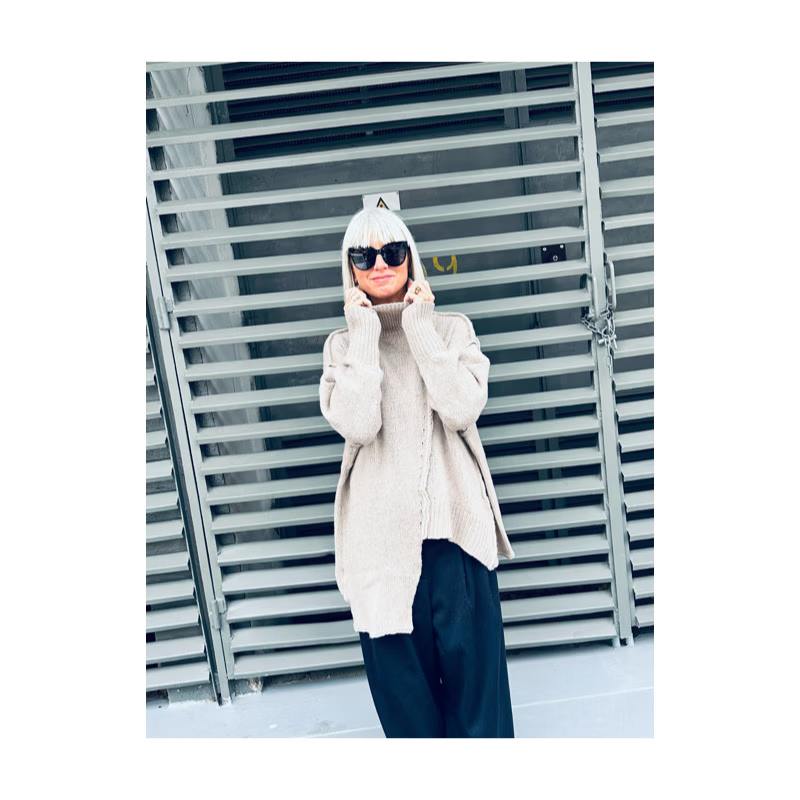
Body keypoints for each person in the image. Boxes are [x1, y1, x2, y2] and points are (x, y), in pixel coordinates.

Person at [319, 206, 515, 738]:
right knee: (409, 719)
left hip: (456, 541)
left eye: (392, 251)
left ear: (411, 258)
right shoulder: (342, 347)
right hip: (380, 551)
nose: (380, 264)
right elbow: (359, 424)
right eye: (364, 256)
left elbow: (461, 408)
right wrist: (364, 334)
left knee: (482, 715)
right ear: (350, 268)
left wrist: (420, 330)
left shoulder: (452, 330)